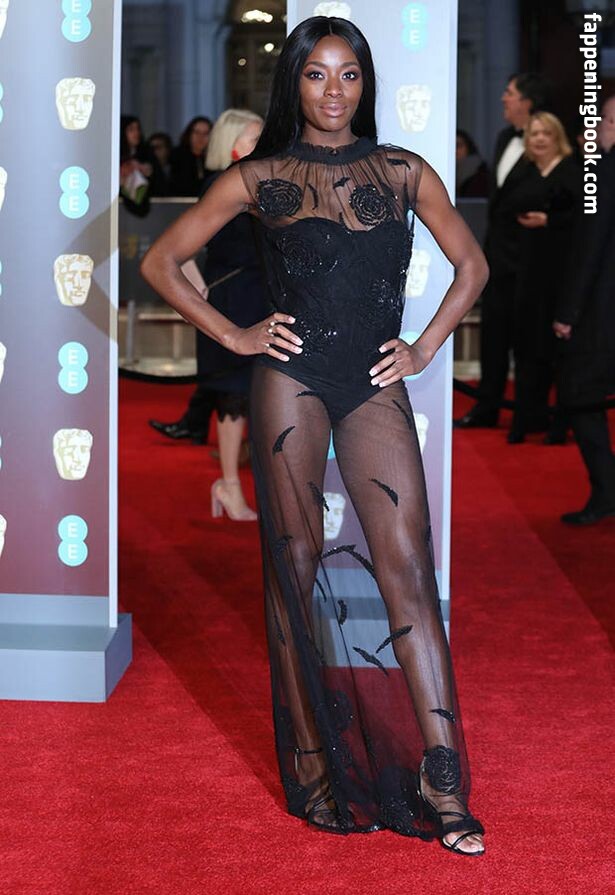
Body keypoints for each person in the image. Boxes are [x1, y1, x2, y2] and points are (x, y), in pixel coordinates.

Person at [141, 16, 488, 855]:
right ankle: (313, 767)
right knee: (291, 568)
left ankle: (443, 780)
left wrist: (423, 347)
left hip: (371, 382)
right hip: (289, 382)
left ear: (364, 83)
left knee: (408, 567)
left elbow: (471, 265)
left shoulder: (403, 171)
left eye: (349, 75)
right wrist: (234, 334)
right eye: (316, 74)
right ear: (293, 81)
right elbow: (161, 261)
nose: (334, 91)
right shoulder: (258, 176)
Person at [152, 109, 265, 520]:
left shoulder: (263, 183)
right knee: (233, 394)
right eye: (255, 138)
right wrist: (196, 289)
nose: (263, 145)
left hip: (263, 295)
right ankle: (229, 486)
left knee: (260, 394)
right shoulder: (220, 184)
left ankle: (250, 484)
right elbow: (174, 249)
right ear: (232, 144)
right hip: (232, 298)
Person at [456, 73, 549, 428]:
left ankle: (532, 414)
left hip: (532, 260)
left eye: (509, 93)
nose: (503, 99)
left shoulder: (550, 141)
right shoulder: (502, 138)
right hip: (496, 257)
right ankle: (487, 408)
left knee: (529, 341)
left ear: (527, 101)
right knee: (493, 337)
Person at [554, 95, 615, 525]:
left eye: (605, 120)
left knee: (581, 397)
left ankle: (607, 491)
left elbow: (590, 247)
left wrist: (568, 313)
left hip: (601, 312)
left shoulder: (604, 172)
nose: (597, 129)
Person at [507, 112, 581, 443]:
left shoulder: (573, 171)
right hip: (528, 273)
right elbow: (505, 208)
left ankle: (561, 424)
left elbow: (585, 221)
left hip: (563, 274)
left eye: (545, 133)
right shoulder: (524, 171)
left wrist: (550, 221)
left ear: (557, 137)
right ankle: (526, 419)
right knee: (526, 348)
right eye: (534, 133)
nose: (538, 139)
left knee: (559, 354)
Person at [169, 116, 213, 197]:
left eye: (206, 133)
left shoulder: (214, 159)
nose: (200, 137)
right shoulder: (176, 156)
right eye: (197, 132)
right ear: (189, 134)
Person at [455, 129, 489, 198]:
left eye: (458, 145)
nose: (454, 149)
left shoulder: (480, 175)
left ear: (468, 147)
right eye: (450, 146)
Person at [146, 131, 174, 196]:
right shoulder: (146, 171)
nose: (155, 151)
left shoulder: (178, 169)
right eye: (152, 148)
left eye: (158, 147)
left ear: (168, 149)